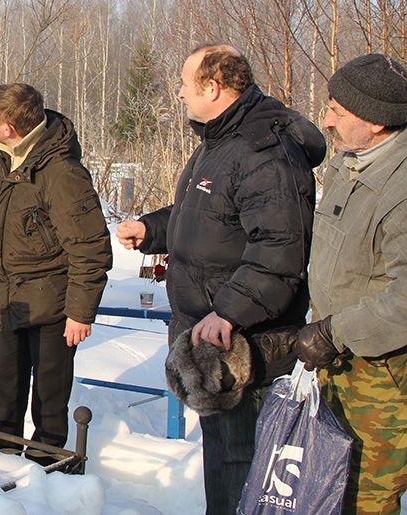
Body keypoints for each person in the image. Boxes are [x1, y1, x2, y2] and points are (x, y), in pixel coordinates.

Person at [115, 44, 325, 514]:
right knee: (224, 468)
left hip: (244, 347)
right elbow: (206, 218)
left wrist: (228, 312)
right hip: (208, 341)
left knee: (243, 472)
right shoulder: (217, 144)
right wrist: (153, 229)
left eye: (185, 85)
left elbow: (280, 250)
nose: (180, 94)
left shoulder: (262, 152)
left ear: (213, 87)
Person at [0, 83, 111, 462]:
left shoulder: (62, 173)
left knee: (50, 387)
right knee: (5, 378)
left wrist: (80, 313)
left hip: (54, 300)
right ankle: (1, 448)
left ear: (9, 127)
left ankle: (47, 458)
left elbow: (91, 248)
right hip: (10, 295)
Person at [292, 53, 407, 513]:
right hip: (335, 364)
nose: (326, 120)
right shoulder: (348, 163)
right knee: (326, 491)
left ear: (378, 122)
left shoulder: (400, 189)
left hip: (383, 379)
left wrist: (333, 332)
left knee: (364, 499)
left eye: (339, 110)